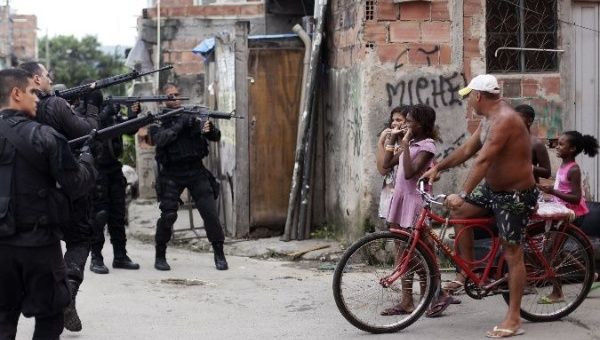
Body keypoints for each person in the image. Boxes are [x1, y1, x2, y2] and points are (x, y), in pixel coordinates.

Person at [422, 74, 538, 338]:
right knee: (460, 212)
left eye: (469, 97)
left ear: (478, 96)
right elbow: (466, 151)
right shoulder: (488, 120)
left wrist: (462, 192)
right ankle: (470, 272)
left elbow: (483, 161)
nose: (469, 102)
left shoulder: (505, 120)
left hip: (515, 195)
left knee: (513, 253)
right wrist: (438, 167)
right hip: (492, 190)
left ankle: (514, 317)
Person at [0, 68, 96, 340]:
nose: (38, 99)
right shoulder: (45, 137)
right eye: (32, 92)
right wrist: (87, 157)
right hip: (38, 245)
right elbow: (77, 185)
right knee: (51, 317)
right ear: (16, 93)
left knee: (4, 318)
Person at [379, 104, 454, 317]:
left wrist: (403, 143)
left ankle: (431, 295)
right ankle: (407, 301)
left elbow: (411, 173)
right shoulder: (409, 143)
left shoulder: (427, 146)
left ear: (420, 125)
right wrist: (393, 140)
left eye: (409, 121)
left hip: (414, 203)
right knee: (404, 252)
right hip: (400, 200)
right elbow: (386, 165)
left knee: (420, 252)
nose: (405, 125)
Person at [148, 83, 228, 271]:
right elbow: (160, 139)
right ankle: (160, 255)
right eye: (170, 96)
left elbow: (215, 136)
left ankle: (219, 253)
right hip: (171, 173)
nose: (175, 98)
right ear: (163, 100)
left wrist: (209, 129)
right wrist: (180, 123)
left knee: (210, 213)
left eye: (177, 94)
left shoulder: (192, 115)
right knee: (168, 215)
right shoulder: (158, 120)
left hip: (196, 171)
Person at [76, 86, 141, 274]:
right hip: (95, 170)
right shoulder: (79, 114)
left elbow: (129, 130)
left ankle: (120, 255)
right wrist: (106, 113)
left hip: (113, 168)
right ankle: (96, 257)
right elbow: (89, 131)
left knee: (118, 214)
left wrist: (133, 116)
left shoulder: (109, 112)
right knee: (99, 215)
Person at [537, 130, 599, 303]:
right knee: (555, 250)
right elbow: (562, 190)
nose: (557, 146)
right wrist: (549, 193)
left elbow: (576, 197)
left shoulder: (574, 169)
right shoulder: (564, 166)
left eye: (561, 144)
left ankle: (558, 293)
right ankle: (591, 274)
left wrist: (553, 191)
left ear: (572, 149)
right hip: (562, 212)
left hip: (572, 215)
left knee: (550, 252)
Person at [376, 106, 408, 220]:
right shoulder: (390, 144)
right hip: (391, 193)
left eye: (399, 120)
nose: (394, 123)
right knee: (395, 232)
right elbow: (383, 170)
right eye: (393, 120)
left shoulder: (414, 142)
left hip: (407, 193)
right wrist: (381, 143)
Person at [515, 104, 551, 182]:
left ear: (529, 121)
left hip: (528, 190)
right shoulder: (508, 140)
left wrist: (528, 167)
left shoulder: (536, 144)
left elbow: (547, 173)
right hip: (507, 191)